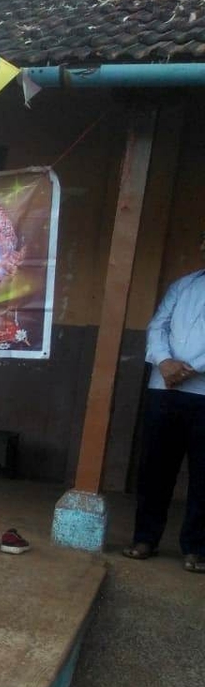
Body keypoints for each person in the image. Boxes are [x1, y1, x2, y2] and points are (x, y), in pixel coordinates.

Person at [122, 235, 205, 574]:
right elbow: (158, 325)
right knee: (155, 469)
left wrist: (190, 369)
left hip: (201, 393)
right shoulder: (183, 285)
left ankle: (196, 549)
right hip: (164, 388)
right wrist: (164, 362)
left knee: (203, 475)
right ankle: (145, 539)